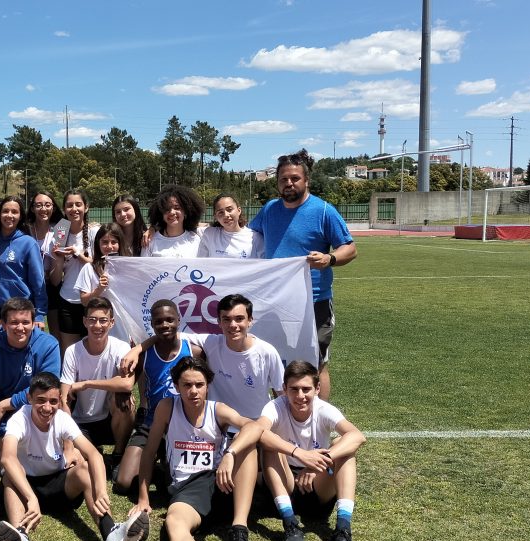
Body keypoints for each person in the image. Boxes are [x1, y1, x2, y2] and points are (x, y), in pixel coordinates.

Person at [0, 372, 150, 541]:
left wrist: (100, 491)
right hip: (23, 490)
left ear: (60, 400)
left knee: (84, 469)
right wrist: (31, 498)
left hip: (56, 486)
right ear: (29, 399)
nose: (47, 407)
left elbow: (93, 454)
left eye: (52, 401)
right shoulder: (19, 419)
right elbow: (7, 458)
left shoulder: (62, 419)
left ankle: (111, 534)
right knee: (10, 475)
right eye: (40, 400)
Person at [128, 357, 264, 541]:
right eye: (187, 385)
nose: (193, 391)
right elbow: (149, 452)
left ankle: (239, 530)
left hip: (222, 483)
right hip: (187, 489)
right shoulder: (167, 407)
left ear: (207, 386)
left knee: (247, 446)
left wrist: (229, 453)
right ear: (177, 386)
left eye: (199, 385)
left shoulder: (217, 409)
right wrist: (143, 498)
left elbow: (254, 426)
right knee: (174, 523)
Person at [249, 149, 356, 400]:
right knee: (275, 362)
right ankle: (280, 422)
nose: (289, 183)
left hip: (314, 301)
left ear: (306, 180)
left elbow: (350, 248)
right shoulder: (269, 209)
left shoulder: (323, 211)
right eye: (284, 179)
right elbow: (245, 238)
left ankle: (318, 424)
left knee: (315, 365)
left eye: (295, 178)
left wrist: (329, 259)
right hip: (274, 301)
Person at [257, 361, 366, 541]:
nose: (300, 396)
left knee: (344, 446)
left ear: (317, 389)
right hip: (284, 483)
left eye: (306, 389)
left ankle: (342, 531)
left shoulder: (324, 409)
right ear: (284, 389)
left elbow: (357, 436)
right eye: (294, 389)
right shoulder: (274, 406)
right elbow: (258, 431)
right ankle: (290, 525)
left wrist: (319, 463)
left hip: (317, 487)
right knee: (270, 443)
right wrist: (299, 453)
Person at [120, 294, 284, 422]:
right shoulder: (211, 343)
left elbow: (281, 395)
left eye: (239, 319)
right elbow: (167, 332)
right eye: (226, 319)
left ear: (250, 321)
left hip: (256, 423)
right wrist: (136, 350)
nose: (233, 325)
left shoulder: (267, 352)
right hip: (219, 423)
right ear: (219, 322)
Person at [112, 300, 203, 492]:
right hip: (151, 424)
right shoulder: (145, 355)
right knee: (123, 483)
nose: (165, 325)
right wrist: (122, 393)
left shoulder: (193, 351)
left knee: (176, 485)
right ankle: (153, 460)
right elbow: (127, 383)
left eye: (170, 320)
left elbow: (205, 388)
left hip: (183, 427)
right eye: (159, 321)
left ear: (178, 321)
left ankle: (163, 464)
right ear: (152, 324)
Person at [0, 297, 61, 449]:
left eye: (25, 322)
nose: (20, 327)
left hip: (41, 412)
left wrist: (7, 403)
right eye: (14, 322)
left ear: (33, 323)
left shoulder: (49, 345)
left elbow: (47, 390)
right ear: (3, 324)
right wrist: (4, 445)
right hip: (8, 425)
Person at [59, 297, 135, 459]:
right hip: (80, 421)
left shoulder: (121, 347)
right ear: (85, 322)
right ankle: (90, 449)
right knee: (81, 460)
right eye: (92, 320)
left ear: (111, 323)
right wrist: (67, 434)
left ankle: (118, 455)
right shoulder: (73, 351)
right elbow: (64, 398)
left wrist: (86, 384)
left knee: (125, 399)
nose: (98, 326)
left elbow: (127, 384)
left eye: (103, 320)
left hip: (110, 419)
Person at [0, 195, 47, 343]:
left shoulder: (28, 243)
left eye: (14, 212)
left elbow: (38, 282)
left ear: (20, 216)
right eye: (5, 211)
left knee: (19, 357)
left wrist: (39, 315)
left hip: (21, 308)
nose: (9, 215)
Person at [49, 189, 100, 351]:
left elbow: (101, 266)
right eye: (69, 205)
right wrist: (58, 258)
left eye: (78, 204)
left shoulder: (95, 231)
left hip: (92, 299)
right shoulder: (60, 231)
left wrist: (77, 253)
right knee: (69, 352)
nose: (74, 209)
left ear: (86, 207)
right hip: (67, 300)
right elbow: (55, 280)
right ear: (64, 209)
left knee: (94, 351)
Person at [74, 223, 133, 343]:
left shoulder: (129, 268)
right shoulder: (89, 268)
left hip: (124, 331)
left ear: (120, 243)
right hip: (98, 330)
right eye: (105, 242)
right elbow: (84, 301)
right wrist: (99, 289)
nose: (109, 246)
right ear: (98, 244)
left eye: (114, 242)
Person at [24, 190, 66, 341]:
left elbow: (56, 279)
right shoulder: (26, 229)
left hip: (53, 284)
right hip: (29, 286)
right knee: (30, 334)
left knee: (57, 335)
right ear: (33, 208)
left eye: (48, 205)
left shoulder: (60, 228)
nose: (43, 209)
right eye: (39, 205)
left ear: (53, 208)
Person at [142, 185, 204, 257]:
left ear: (186, 211)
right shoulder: (150, 240)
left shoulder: (196, 239)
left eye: (177, 208)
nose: (172, 212)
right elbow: (143, 267)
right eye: (166, 209)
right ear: (161, 213)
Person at [198, 193, 262, 259]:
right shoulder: (209, 235)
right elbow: (202, 264)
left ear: (239, 210)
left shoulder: (255, 238)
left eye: (229, 209)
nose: (226, 215)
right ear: (215, 217)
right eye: (220, 212)